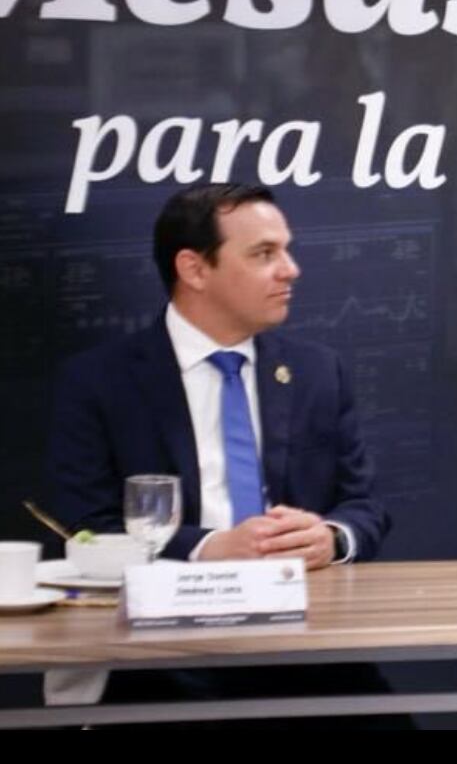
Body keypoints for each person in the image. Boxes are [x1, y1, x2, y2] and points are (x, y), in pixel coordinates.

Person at [47, 183, 393, 717]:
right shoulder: (98, 381)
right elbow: (85, 527)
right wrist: (212, 547)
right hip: (159, 649)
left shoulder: (318, 371)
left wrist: (330, 537)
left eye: (286, 250)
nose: (291, 269)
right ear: (194, 269)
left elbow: (364, 506)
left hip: (307, 640)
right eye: (264, 254)